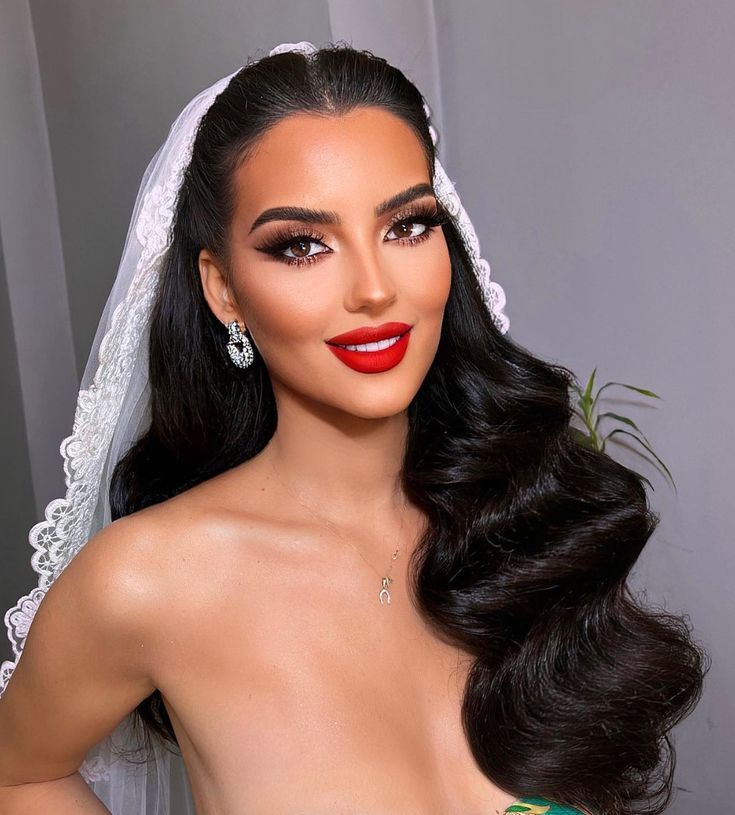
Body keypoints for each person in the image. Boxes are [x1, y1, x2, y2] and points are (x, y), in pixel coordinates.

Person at [0, 40, 707, 815]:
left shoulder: (523, 527)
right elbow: (18, 771)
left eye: (405, 226)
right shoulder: (149, 580)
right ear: (223, 289)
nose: (373, 289)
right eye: (301, 245)